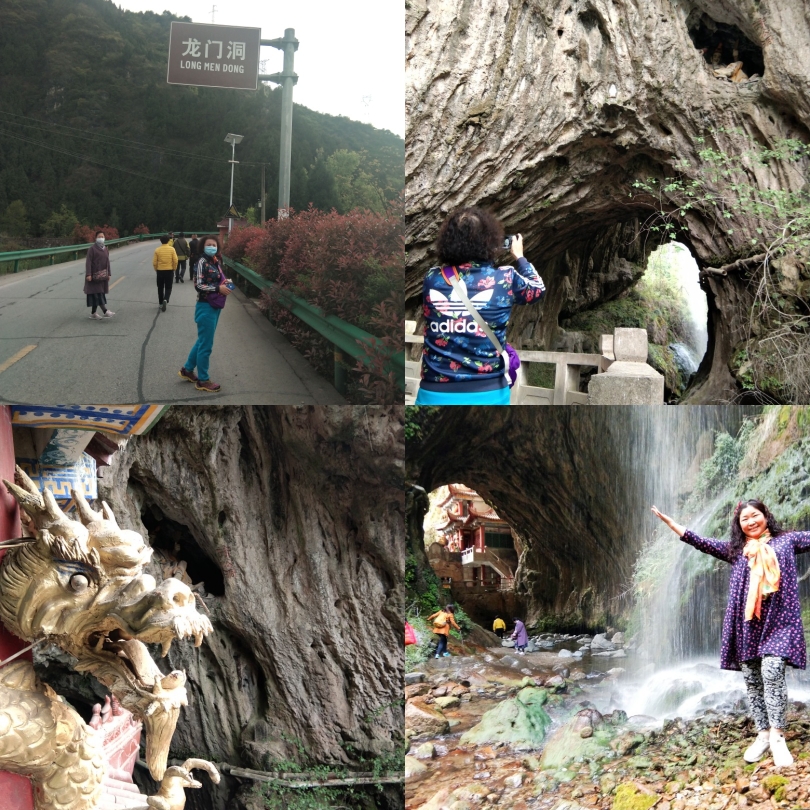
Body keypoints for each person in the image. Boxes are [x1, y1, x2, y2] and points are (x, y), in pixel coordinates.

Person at [652, 499, 810, 768]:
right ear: (739, 525)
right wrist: (672, 525)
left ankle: (778, 736)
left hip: (779, 621)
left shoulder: (788, 540)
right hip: (746, 624)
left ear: (765, 515)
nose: (751, 521)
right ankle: (762, 733)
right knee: (753, 680)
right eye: (744, 518)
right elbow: (700, 541)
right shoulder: (736, 551)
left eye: (755, 515)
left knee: (772, 671)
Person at [416, 207, 546, 405]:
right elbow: (538, 289)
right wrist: (519, 256)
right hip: (489, 391)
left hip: (434, 391)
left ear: (447, 241)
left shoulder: (433, 278)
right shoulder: (505, 278)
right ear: (491, 241)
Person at [179, 234, 232, 393]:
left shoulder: (215, 261)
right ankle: (203, 380)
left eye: (214, 245)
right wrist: (218, 288)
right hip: (205, 305)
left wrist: (225, 282)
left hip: (215, 305)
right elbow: (199, 285)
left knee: (203, 340)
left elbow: (216, 280)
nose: (212, 247)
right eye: (209, 244)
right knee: (206, 345)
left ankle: (187, 370)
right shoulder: (201, 261)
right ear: (203, 246)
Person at [84, 230, 115, 319]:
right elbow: (88, 262)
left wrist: (109, 273)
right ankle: (105, 311)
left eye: (102, 237)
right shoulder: (92, 249)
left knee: (97, 293)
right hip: (94, 276)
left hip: (102, 275)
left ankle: (93, 313)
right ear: (96, 238)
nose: (101, 238)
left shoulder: (105, 249)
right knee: (98, 293)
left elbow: (107, 262)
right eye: (99, 237)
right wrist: (88, 274)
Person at [152, 235, 178, 312]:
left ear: (160, 241)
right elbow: (175, 260)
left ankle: (160, 303)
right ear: (168, 241)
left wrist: (156, 269)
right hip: (169, 270)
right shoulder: (172, 249)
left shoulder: (157, 250)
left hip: (160, 270)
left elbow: (154, 262)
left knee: (160, 287)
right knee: (168, 287)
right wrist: (174, 268)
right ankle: (166, 299)